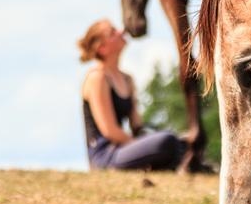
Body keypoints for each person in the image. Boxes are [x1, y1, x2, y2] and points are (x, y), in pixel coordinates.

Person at [78, 19, 181, 171]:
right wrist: (140, 145)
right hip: (105, 154)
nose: (121, 32)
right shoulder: (97, 78)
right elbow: (109, 131)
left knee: (178, 142)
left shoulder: (127, 79)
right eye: (113, 32)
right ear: (102, 48)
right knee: (166, 142)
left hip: (123, 148)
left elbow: (136, 125)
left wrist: (147, 138)